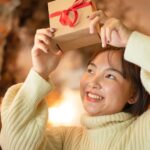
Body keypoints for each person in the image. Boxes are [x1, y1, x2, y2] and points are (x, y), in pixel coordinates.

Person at [0, 11, 150, 150]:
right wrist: (40, 73)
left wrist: (130, 40)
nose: (93, 82)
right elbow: (14, 145)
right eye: (90, 70)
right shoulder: (66, 139)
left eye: (110, 76)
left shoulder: (142, 132)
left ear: (134, 94)